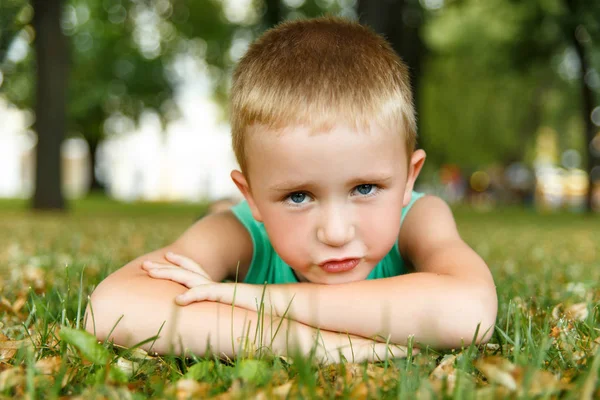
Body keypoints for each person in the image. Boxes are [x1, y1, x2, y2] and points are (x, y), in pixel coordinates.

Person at [85, 17, 497, 363]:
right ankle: (221, 204)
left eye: (366, 188)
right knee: (216, 218)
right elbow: (111, 308)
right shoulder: (240, 230)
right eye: (298, 196)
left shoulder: (421, 217)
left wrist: (253, 300)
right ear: (254, 199)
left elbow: (471, 310)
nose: (336, 233)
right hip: (234, 217)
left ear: (409, 179)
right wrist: (317, 345)